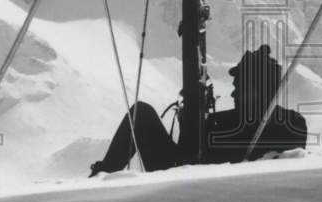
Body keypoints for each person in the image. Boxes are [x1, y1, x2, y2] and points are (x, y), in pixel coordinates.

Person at [89, 44, 307, 175]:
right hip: (186, 177)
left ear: (255, 90)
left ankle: (101, 179)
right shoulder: (291, 122)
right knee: (141, 113)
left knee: (141, 114)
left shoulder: (286, 124)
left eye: (238, 88)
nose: (233, 95)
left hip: (185, 185)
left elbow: (191, 162)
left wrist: (194, 127)